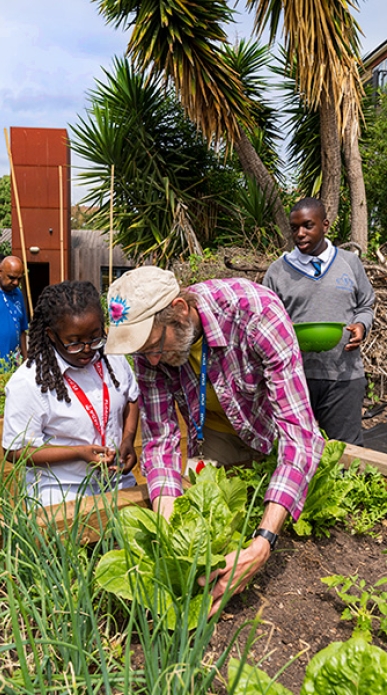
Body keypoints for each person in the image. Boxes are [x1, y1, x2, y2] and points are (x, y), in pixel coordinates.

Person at [105, 266, 325, 614]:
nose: (151, 360)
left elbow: (298, 434)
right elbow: (160, 439)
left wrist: (263, 541)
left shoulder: (256, 313)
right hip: (214, 433)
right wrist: (169, 530)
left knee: (272, 502)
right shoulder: (150, 351)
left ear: (179, 309)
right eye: (141, 352)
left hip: (269, 430)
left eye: (153, 347)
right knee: (210, 512)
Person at [2, 280, 139, 506]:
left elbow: (131, 399)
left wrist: (127, 439)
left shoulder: (112, 359)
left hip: (115, 481)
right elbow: (15, 451)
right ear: (52, 335)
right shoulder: (29, 382)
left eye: (95, 338)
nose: (87, 349)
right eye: (74, 343)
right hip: (61, 490)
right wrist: (78, 453)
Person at [263, 197, 375, 446]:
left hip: (344, 376)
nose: (300, 234)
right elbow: (266, 322)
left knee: (346, 454)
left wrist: (361, 326)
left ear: (325, 225)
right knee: (295, 450)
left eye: (307, 225)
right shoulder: (278, 271)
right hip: (293, 378)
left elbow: (365, 305)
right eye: (294, 228)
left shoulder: (350, 263)